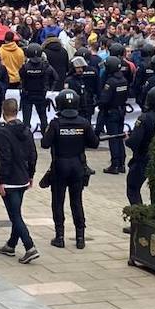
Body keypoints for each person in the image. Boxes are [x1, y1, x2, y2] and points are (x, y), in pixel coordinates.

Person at [42, 88, 97, 249]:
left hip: (60, 166)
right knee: (77, 202)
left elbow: (45, 144)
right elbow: (94, 143)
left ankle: (60, 236)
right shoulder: (84, 123)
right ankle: (80, 237)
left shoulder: (56, 123)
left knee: (58, 202)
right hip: (78, 166)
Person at [0, 99, 40, 263]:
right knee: (16, 213)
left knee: (15, 216)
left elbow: (5, 158)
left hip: (10, 180)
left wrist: (0, 181)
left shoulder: (3, 132)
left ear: (3, 112)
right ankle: (11, 244)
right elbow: (33, 154)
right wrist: (31, 174)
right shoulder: (26, 130)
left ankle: (29, 246)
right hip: (23, 178)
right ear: (17, 110)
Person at [125, 85, 155, 208]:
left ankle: (139, 214)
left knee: (133, 187)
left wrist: (127, 140)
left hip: (143, 159)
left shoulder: (145, 117)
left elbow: (134, 141)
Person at [97, 57, 130, 174]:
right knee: (120, 137)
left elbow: (104, 100)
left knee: (113, 138)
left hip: (111, 112)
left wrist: (100, 104)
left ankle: (115, 164)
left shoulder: (110, 82)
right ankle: (122, 164)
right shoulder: (124, 80)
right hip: (121, 111)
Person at [18, 43, 54, 132]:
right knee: (43, 117)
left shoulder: (25, 67)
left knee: (26, 120)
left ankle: (26, 136)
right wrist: (49, 88)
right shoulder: (45, 66)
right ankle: (45, 135)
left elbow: (21, 76)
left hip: (27, 95)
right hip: (41, 94)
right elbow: (55, 77)